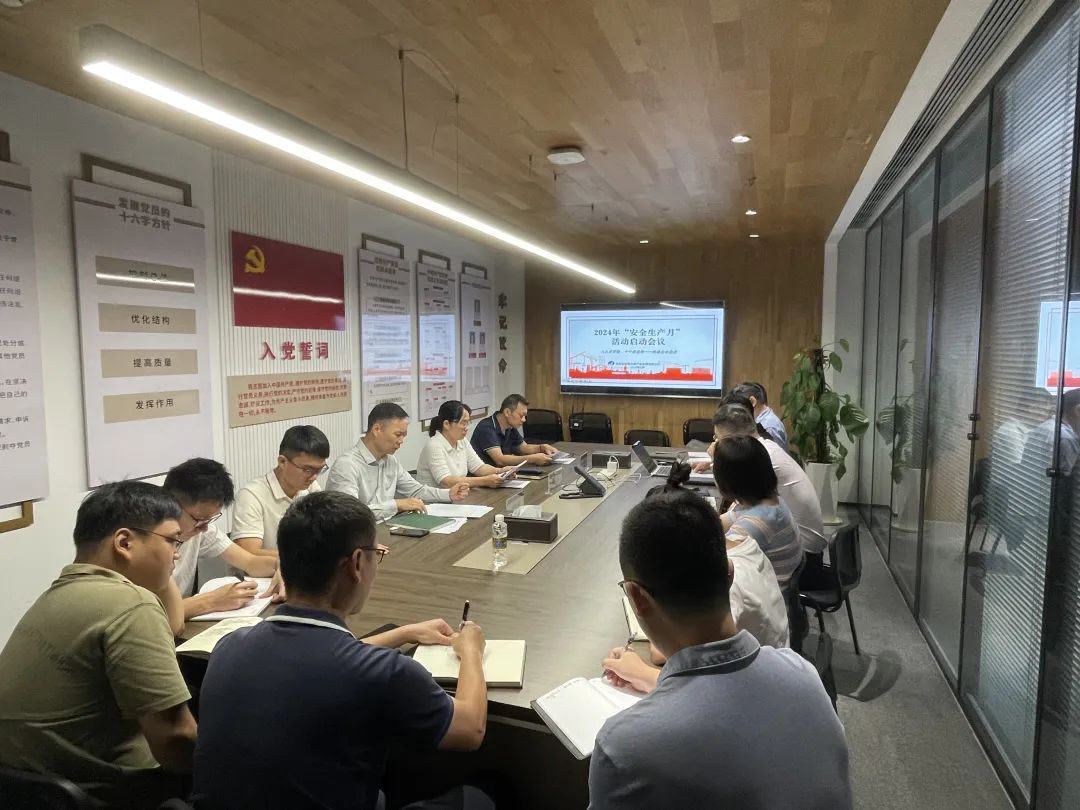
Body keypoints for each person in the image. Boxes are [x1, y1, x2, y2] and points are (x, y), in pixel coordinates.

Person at [191, 491, 493, 810]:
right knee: (484, 793)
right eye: (377, 554)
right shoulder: (386, 673)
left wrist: (403, 633)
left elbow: (315, 661)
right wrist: (471, 651)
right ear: (358, 563)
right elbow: (470, 729)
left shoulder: (229, 646)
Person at [589, 487, 851, 809]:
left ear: (636, 597)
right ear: (729, 572)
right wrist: (651, 679)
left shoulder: (625, 746)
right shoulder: (802, 674)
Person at [0, 481, 197, 808]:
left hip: (28, 791)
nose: (177, 553)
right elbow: (176, 742)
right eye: (173, 541)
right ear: (124, 542)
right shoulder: (132, 604)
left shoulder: (57, 594)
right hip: (102, 793)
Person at [642, 463, 788, 648]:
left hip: (755, 663)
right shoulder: (744, 545)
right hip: (769, 654)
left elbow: (669, 650)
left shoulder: (720, 585)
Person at [697, 401, 828, 554]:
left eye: (718, 439)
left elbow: (727, 488)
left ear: (735, 440)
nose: (715, 443)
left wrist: (718, 459)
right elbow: (734, 513)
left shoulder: (759, 459)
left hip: (802, 550)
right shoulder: (763, 450)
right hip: (789, 539)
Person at [164, 458, 281, 625]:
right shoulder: (145, 541)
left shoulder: (201, 529)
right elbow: (150, 615)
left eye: (209, 519)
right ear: (171, 504)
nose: (204, 528)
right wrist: (212, 601)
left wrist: (280, 565)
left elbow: (249, 561)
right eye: (199, 519)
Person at [327, 403, 470, 521]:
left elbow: (416, 490)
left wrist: (448, 494)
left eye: (404, 435)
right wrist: (396, 505)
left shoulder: (390, 460)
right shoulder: (347, 465)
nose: (401, 441)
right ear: (376, 429)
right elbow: (350, 514)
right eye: (398, 434)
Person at [712, 434, 803, 592]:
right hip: (767, 588)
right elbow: (718, 524)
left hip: (765, 599)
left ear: (727, 480)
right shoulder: (767, 501)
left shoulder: (755, 523)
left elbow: (715, 566)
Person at [232, 425, 329, 556]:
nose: (314, 477)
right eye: (307, 470)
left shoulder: (312, 489)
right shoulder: (251, 496)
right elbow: (249, 553)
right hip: (267, 569)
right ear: (282, 462)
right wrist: (303, 558)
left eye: (320, 470)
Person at [417, 400, 518, 488]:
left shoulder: (461, 440)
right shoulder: (434, 445)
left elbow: (479, 467)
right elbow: (446, 481)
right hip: (434, 501)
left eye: (468, 422)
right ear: (446, 424)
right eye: (463, 423)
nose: (467, 427)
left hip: (456, 496)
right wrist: (484, 481)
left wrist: (501, 471)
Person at [470, 393, 557, 467]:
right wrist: (532, 459)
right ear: (507, 412)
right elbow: (500, 460)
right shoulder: (486, 428)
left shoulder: (510, 427)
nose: (524, 420)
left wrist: (542, 447)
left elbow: (523, 448)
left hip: (502, 473)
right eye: (521, 415)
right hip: (483, 477)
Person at [730, 380, 789, 450]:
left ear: (752, 401)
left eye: (738, 407)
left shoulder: (768, 427)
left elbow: (770, 455)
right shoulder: (764, 421)